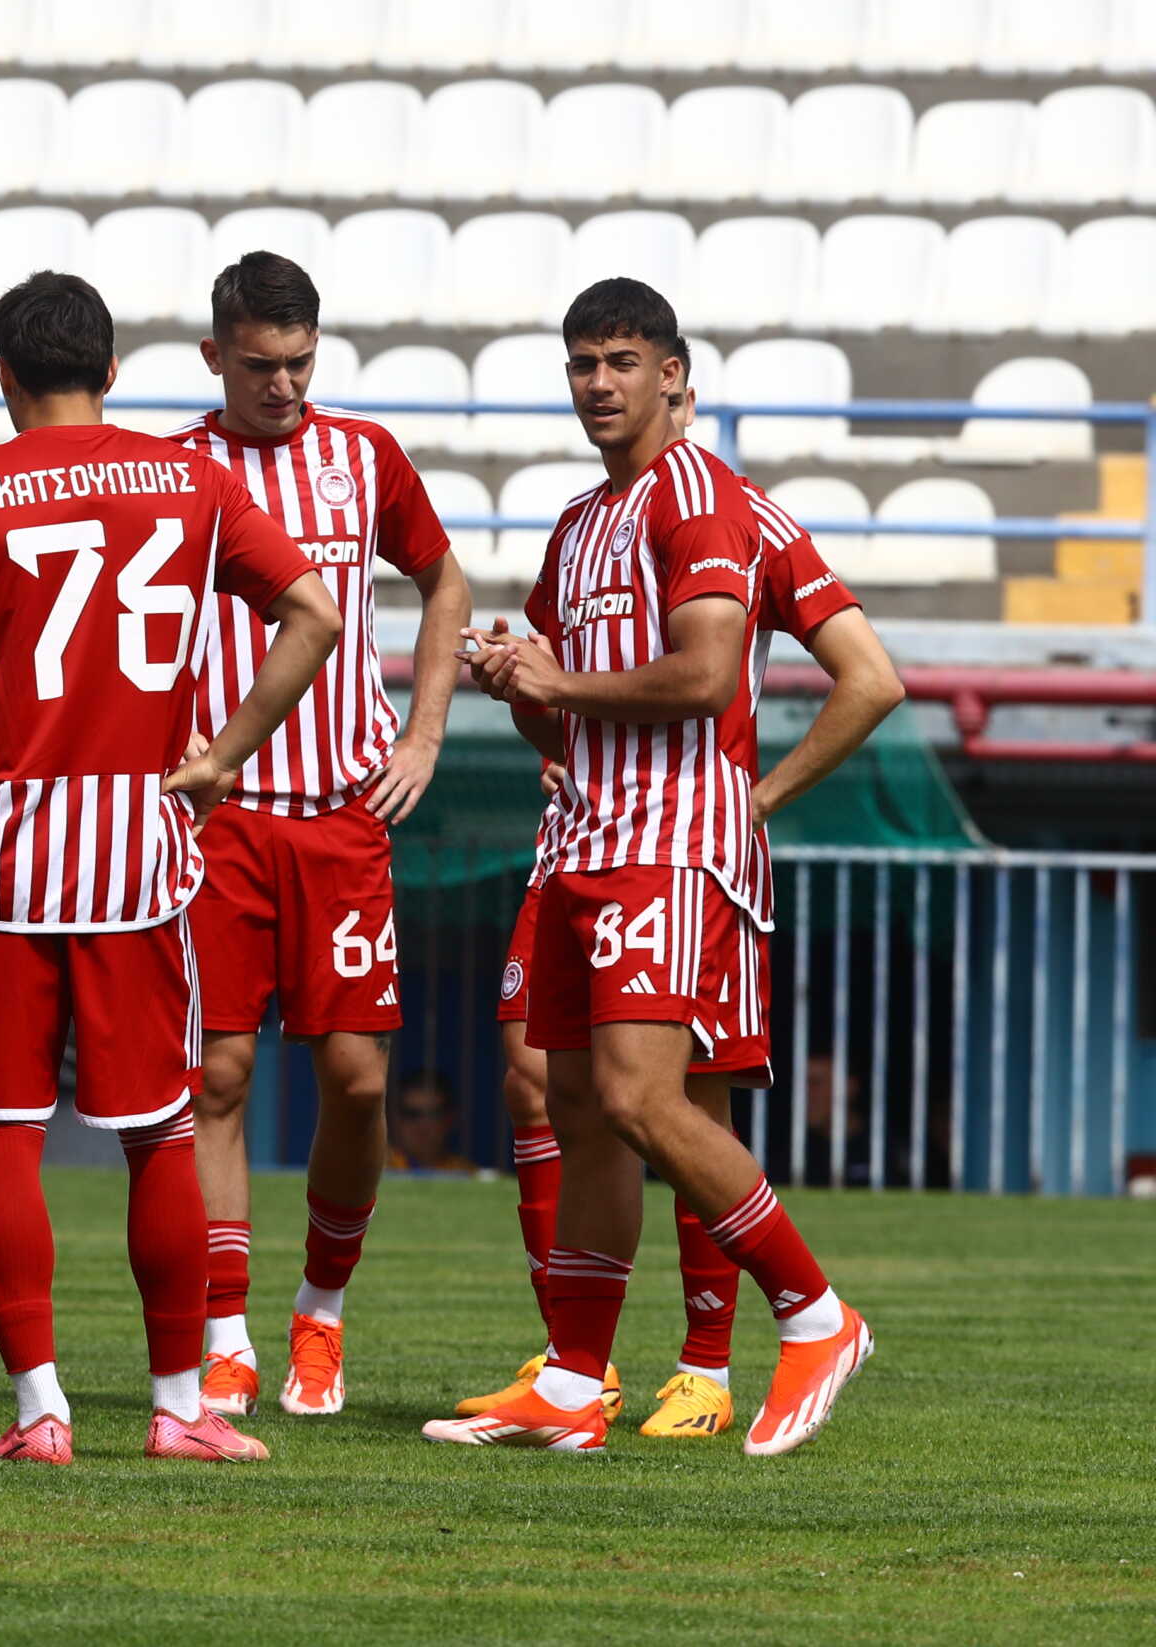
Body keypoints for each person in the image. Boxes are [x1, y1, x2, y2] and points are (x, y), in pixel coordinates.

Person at [0, 270, 342, 1465]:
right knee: (160, 1131)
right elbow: (316, 612)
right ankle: (176, 1407)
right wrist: (221, 754)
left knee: (4, 1136)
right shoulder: (193, 477)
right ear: (110, 375)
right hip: (138, 845)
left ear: (4, 375)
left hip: (7, 839)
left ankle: (41, 1411)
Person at [435, 279, 874, 1457]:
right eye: (581, 363)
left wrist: (557, 682)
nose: (598, 383)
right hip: (584, 835)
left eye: (622, 360)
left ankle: (814, 1315)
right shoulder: (580, 521)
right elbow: (563, 722)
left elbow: (701, 677)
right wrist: (516, 681)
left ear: (676, 373)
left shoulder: (699, 498)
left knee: (643, 1095)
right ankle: (577, 1378)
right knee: (576, 1105)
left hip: (671, 842)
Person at [168, 251, 471, 1421]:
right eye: (259, 365)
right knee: (218, 1073)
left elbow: (443, 580)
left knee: (354, 1082)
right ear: (214, 357)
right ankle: (225, 1330)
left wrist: (424, 732)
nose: (284, 385)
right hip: (221, 816)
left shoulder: (364, 457)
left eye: (299, 361)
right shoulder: (177, 469)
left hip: (342, 814)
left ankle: (322, 1311)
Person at [386, 1072, 475, 1173]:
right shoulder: (378, 1171)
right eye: (411, 1114)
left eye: (433, 1115)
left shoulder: (465, 1174)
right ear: (394, 1119)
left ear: (450, 1119)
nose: (422, 1125)